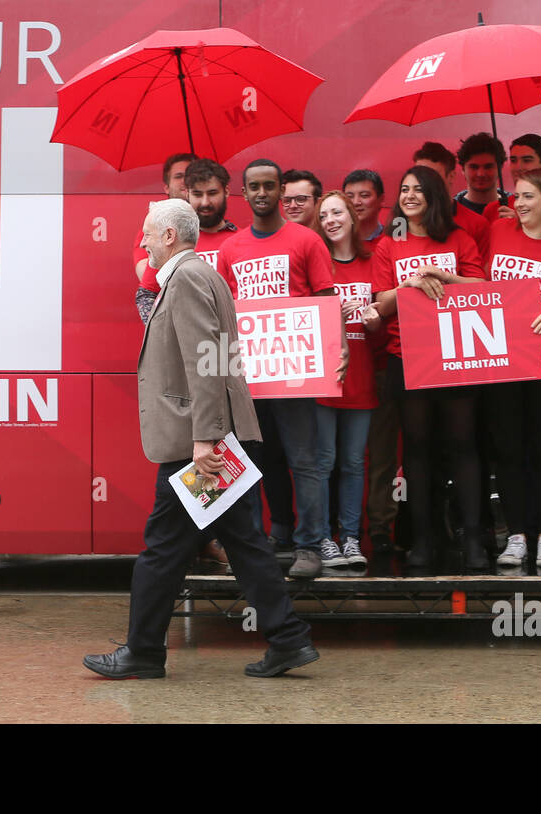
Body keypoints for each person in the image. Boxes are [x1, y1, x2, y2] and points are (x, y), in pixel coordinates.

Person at [83, 199, 318, 679]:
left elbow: (206, 360)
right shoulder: (202, 275)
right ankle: (288, 639)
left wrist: (206, 439)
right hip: (214, 439)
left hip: (200, 446)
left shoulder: (186, 278)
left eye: (148, 233)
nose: (143, 241)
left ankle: (143, 654)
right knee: (244, 541)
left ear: (169, 236)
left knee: (162, 548)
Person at [216, 159, 346, 579]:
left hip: (296, 372)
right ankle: (270, 539)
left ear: (280, 191)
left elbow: (328, 300)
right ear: (244, 193)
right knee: (256, 462)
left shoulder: (306, 240)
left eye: (269, 186)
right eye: (253, 186)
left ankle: (310, 546)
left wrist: (338, 348)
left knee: (304, 461)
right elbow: (222, 313)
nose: (261, 193)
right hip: (249, 377)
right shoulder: (230, 249)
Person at [369, 165, 487, 574]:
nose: (409, 195)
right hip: (407, 358)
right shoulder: (389, 245)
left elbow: (486, 290)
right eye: (404, 189)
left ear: (435, 195)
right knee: (416, 451)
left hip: (459, 356)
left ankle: (473, 541)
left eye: (418, 189)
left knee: (463, 448)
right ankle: (422, 540)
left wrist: (444, 277)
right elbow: (380, 306)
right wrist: (411, 286)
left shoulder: (458, 238)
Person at [482, 170, 541, 568]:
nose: (519, 203)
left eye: (528, 197)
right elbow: (479, 286)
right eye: (517, 196)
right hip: (501, 360)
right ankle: (517, 535)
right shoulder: (499, 232)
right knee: (507, 450)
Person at [315, 192, 382, 567]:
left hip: (362, 379)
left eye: (337, 212)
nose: (330, 220)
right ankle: (324, 538)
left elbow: (382, 328)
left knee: (354, 463)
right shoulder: (317, 265)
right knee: (324, 462)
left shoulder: (373, 262)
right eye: (323, 215)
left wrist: (374, 322)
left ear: (352, 218)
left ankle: (352, 538)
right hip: (325, 382)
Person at [133, 152, 198, 322]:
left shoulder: (221, 228)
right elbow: (148, 278)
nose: (186, 180)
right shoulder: (152, 228)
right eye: (179, 176)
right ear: (166, 188)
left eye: (191, 175)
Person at [413, 141, 490, 253]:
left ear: (451, 176)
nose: (424, 181)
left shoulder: (477, 224)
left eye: (432, 175)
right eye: (418, 175)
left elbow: (483, 269)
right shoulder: (402, 222)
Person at [455, 132, 506, 215]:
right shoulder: (449, 213)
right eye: (474, 167)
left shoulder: (517, 207)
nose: (481, 174)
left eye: (488, 167)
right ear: (463, 169)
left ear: (501, 168)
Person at [343, 169, 386, 241]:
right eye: (349, 196)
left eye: (364, 195)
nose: (355, 202)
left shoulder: (393, 240)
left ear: (381, 199)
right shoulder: (336, 241)